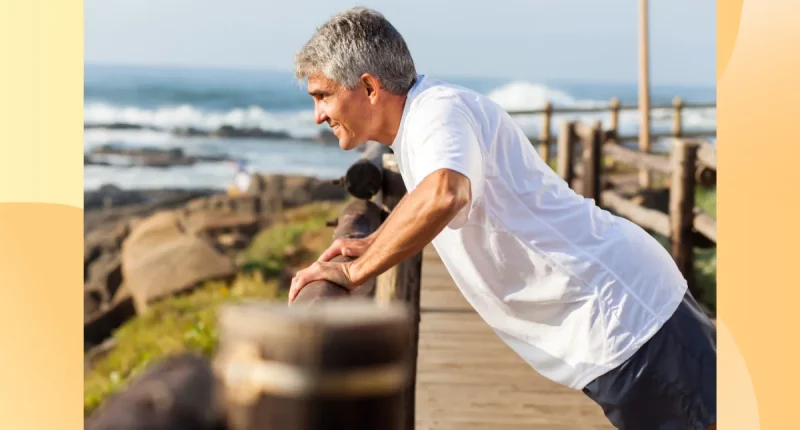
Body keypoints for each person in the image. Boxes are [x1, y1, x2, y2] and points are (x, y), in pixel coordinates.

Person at [288, 7, 717, 430]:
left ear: (368, 86)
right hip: (612, 323)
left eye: (322, 96)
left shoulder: (437, 112)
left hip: (627, 319)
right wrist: (374, 241)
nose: (318, 115)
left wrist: (357, 270)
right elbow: (433, 193)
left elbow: (445, 194)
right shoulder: (420, 123)